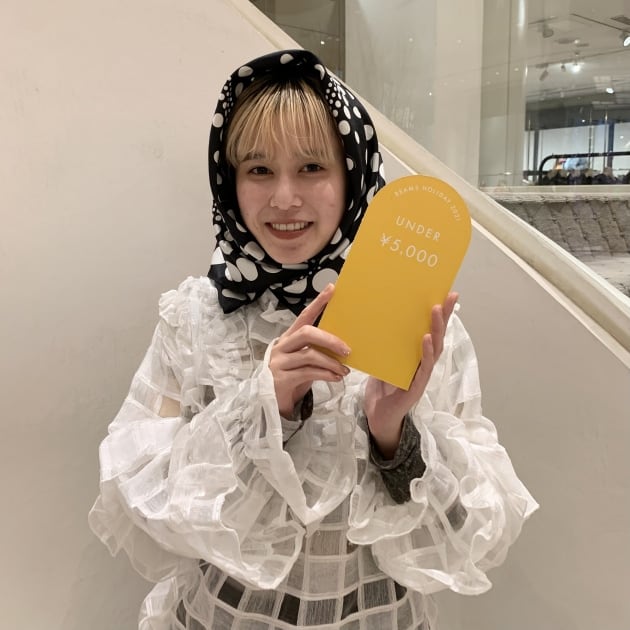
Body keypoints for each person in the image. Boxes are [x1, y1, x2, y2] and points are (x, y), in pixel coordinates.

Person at [89, 49, 538, 630]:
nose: (283, 198)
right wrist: (263, 408)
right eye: (258, 170)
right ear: (229, 179)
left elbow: (476, 533)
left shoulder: (419, 323)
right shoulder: (195, 318)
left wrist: (393, 438)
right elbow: (139, 498)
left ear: (353, 174)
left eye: (311, 167)